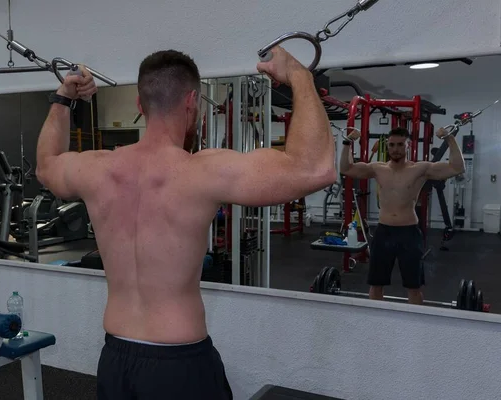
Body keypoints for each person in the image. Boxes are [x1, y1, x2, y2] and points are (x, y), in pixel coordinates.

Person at [36, 47, 336, 400]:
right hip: (177, 363)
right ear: (192, 102)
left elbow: (46, 164)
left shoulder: (95, 167)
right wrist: (300, 75)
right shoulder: (201, 171)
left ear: (139, 104)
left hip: (116, 360)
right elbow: (315, 167)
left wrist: (63, 97)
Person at [340, 126, 465, 305]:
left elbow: (457, 167)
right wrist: (347, 142)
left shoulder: (420, 169)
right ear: (387, 146)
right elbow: (346, 168)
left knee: (414, 287)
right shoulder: (378, 168)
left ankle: (414, 329)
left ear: (408, 145)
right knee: (376, 285)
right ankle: (376, 323)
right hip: (383, 233)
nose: (395, 149)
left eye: (400, 144)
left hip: (409, 234)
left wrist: (449, 138)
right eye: (392, 145)